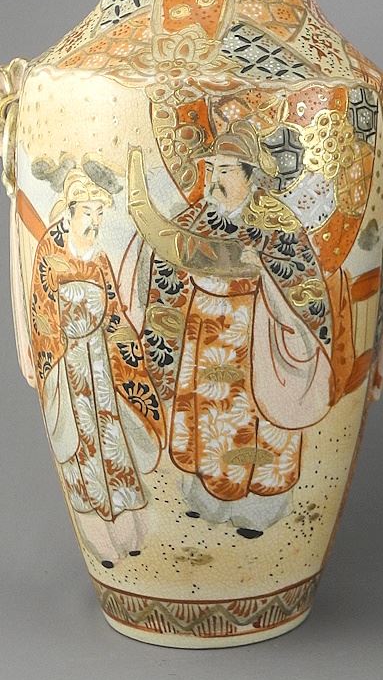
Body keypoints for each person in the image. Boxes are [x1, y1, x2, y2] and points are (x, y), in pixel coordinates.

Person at [122, 122, 335, 538]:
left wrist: (264, 271)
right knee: (208, 416)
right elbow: (168, 257)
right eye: (212, 169)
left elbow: (302, 283)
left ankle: (258, 510)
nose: (214, 180)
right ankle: (210, 501)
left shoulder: (276, 223)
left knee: (257, 419)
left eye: (225, 170)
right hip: (205, 333)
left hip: (258, 334)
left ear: (251, 176)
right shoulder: (196, 218)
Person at [29, 164, 166, 567]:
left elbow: (114, 311)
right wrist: (60, 351)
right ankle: (101, 540)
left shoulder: (100, 256)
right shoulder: (49, 256)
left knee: (110, 439)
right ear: (69, 212)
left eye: (99, 213)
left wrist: (129, 351)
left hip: (101, 364)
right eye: (87, 212)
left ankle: (129, 531)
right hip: (69, 365)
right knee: (82, 446)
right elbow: (42, 314)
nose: (94, 221)